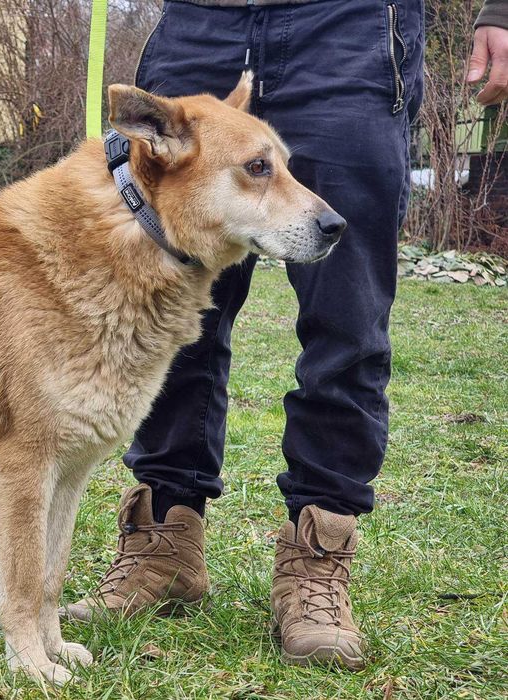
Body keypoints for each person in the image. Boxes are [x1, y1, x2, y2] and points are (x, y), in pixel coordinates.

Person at [62, 0, 508, 670]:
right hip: (200, 23)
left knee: (346, 321)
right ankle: (162, 539)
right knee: (168, 310)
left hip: (351, 25)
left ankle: (317, 554)